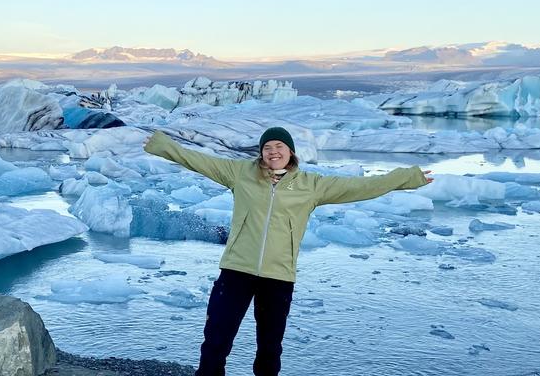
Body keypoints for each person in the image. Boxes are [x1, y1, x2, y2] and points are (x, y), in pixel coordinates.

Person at [143, 127, 433, 376]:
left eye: (279, 146)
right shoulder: (240, 173)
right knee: (216, 341)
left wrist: (408, 177)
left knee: (269, 348)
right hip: (236, 271)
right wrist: (160, 144)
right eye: (267, 147)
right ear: (261, 153)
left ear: (291, 152)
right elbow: (197, 160)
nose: (273, 152)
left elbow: (362, 186)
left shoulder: (312, 185)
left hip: (278, 277)